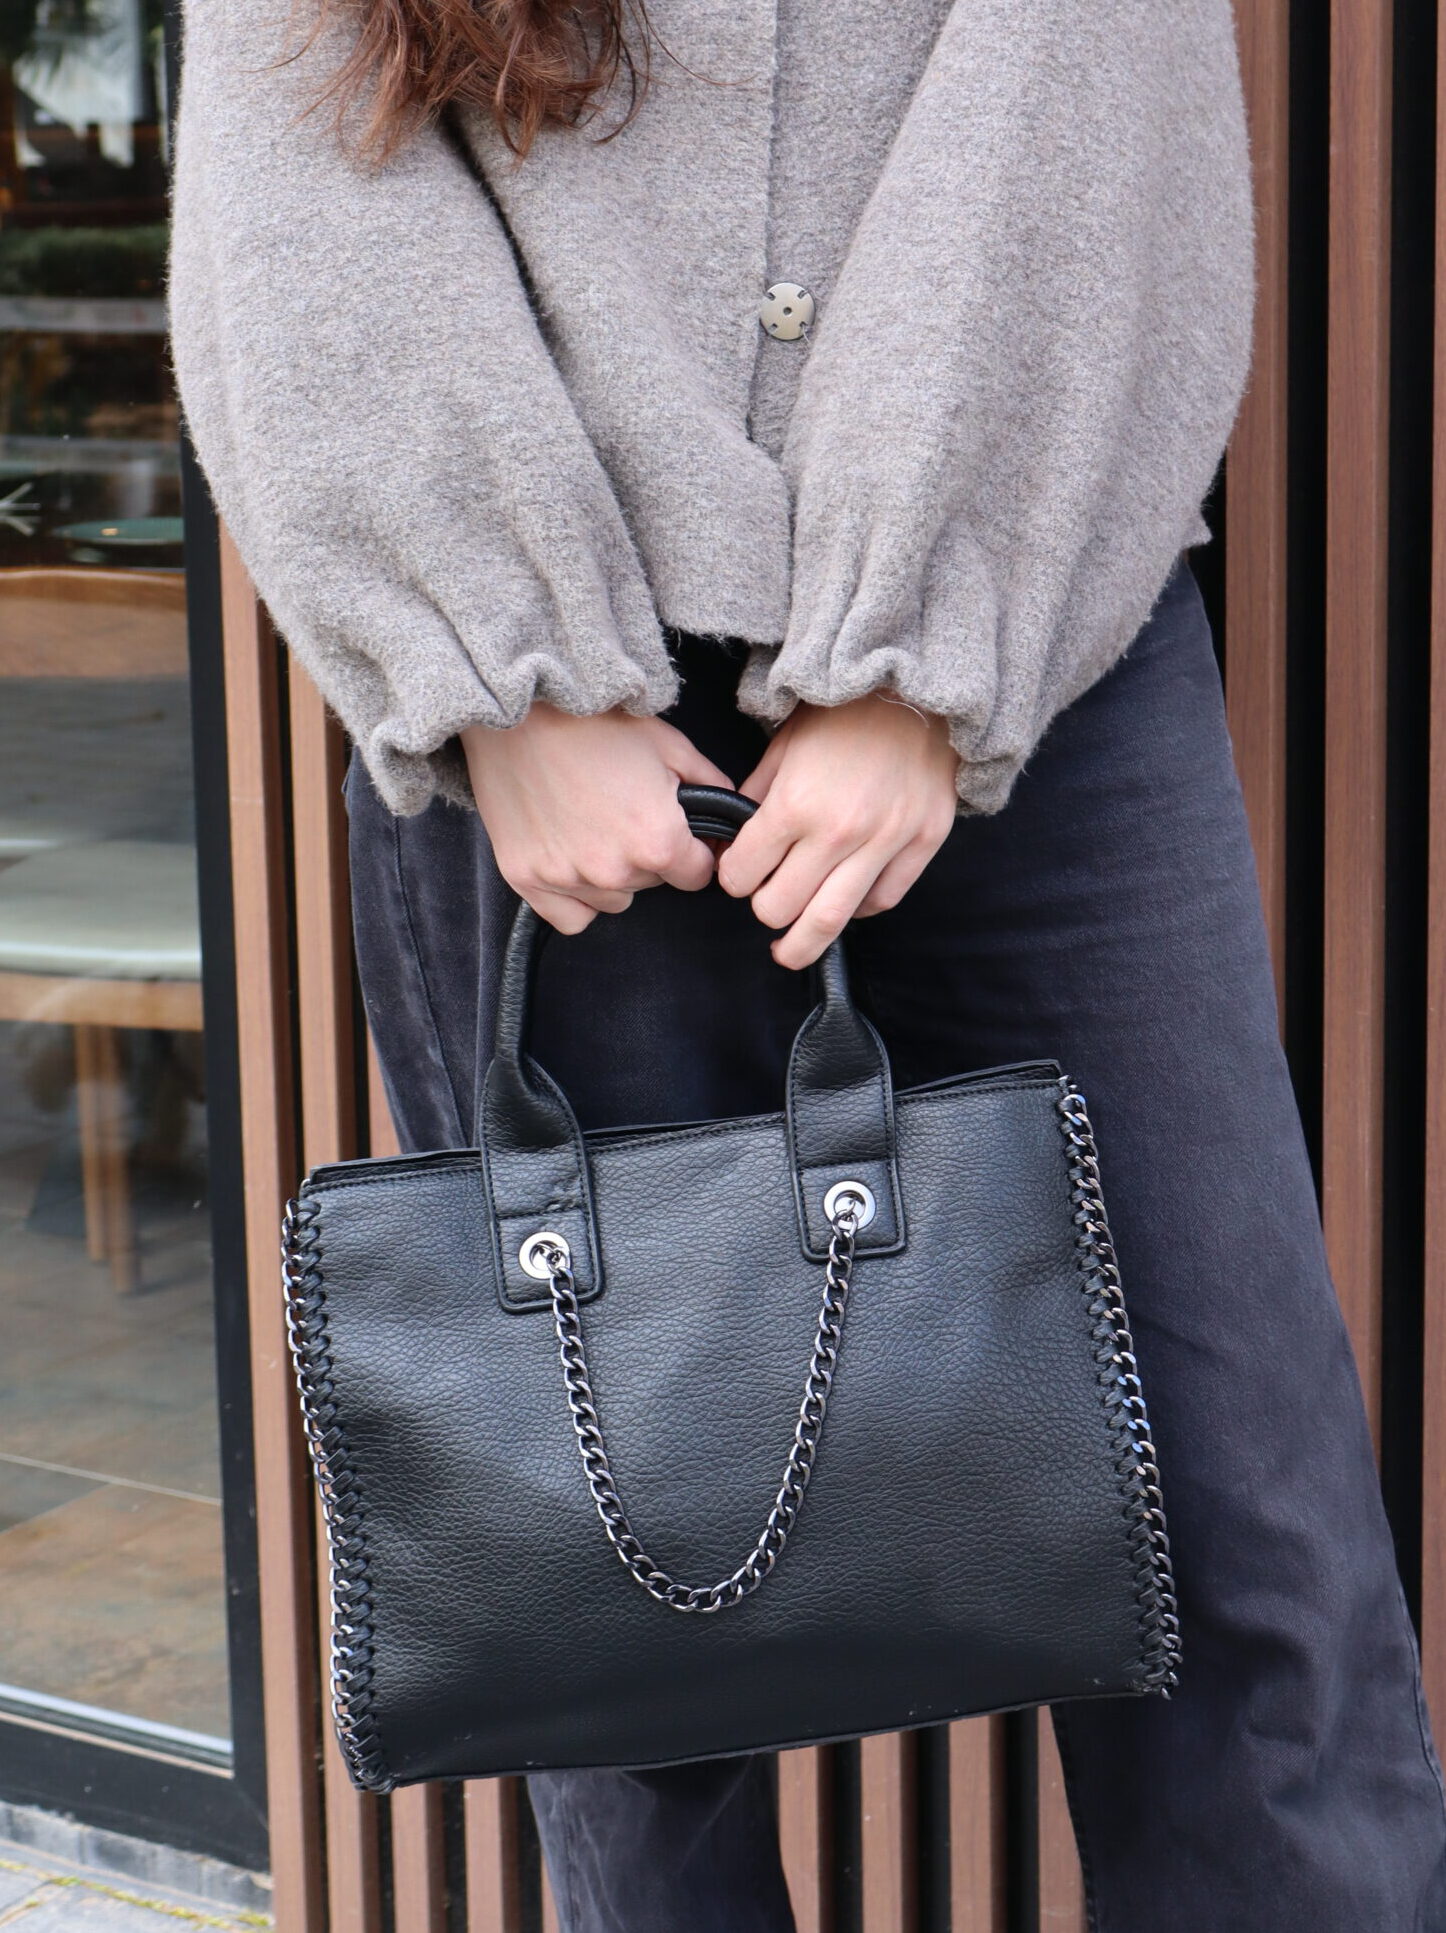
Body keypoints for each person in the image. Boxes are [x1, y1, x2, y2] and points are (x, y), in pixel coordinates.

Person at [167, 0, 1446, 1925]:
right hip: (553, 709)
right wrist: (509, 675)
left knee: (1242, 1528)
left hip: (1026, 649)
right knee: (609, 1601)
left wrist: (926, 646)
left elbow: (1086, 67)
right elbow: (296, 133)